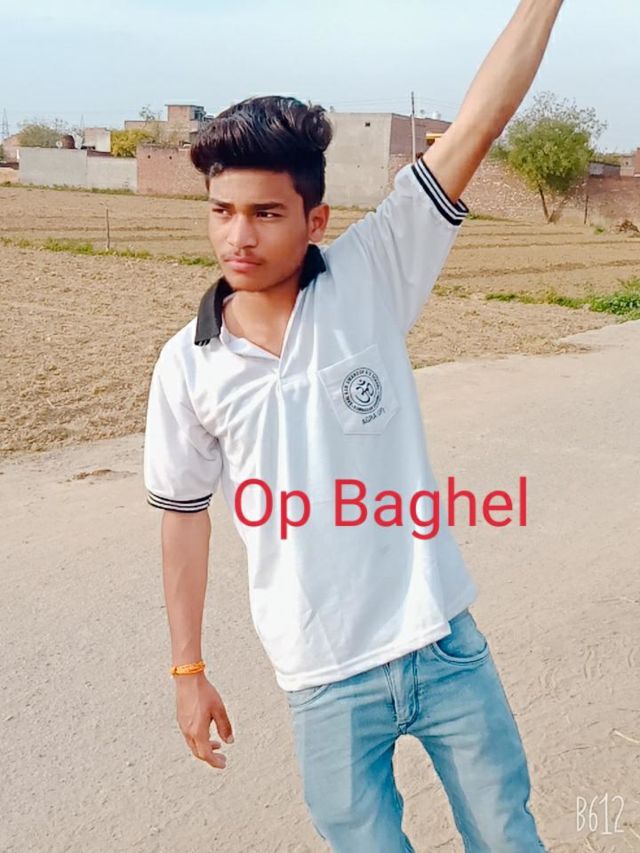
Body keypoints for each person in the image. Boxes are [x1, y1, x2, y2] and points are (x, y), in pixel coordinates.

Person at [143, 2, 564, 848]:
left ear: (315, 220)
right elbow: (185, 518)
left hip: (441, 639)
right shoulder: (188, 365)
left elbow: (480, 121)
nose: (238, 236)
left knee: (507, 835)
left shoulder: (373, 272)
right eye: (222, 211)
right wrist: (188, 670)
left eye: (266, 213)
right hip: (322, 675)